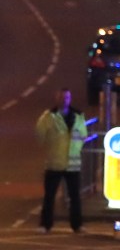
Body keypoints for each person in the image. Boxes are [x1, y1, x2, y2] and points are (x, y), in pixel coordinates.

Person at [35, 88, 88, 234]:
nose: (65, 100)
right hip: (54, 162)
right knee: (49, 196)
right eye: (62, 97)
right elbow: (40, 135)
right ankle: (45, 225)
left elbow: (83, 135)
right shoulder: (48, 117)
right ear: (56, 98)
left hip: (72, 164)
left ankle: (77, 225)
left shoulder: (78, 116)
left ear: (70, 99)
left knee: (75, 197)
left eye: (67, 97)